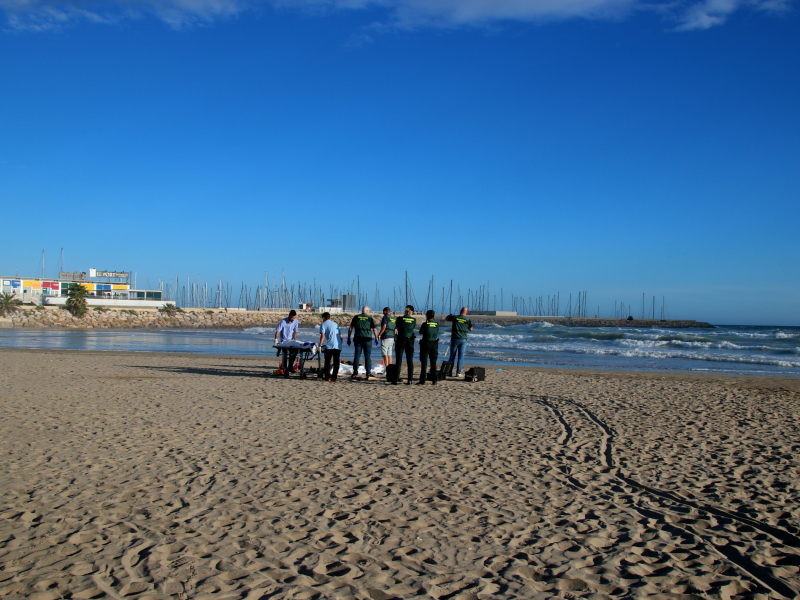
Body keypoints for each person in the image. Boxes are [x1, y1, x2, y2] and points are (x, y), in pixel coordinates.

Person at [347, 305, 379, 380]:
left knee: (357, 356)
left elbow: (351, 328)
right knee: (367, 356)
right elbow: (374, 329)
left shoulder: (356, 317)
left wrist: (349, 338)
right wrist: (376, 338)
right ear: (367, 311)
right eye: (369, 311)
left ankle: (355, 372)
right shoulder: (369, 318)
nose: (369, 312)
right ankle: (368, 372)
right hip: (367, 339)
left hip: (358, 339)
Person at [445, 306, 473, 378]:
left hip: (455, 338)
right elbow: (471, 329)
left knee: (452, 356)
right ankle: (458, 372)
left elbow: (447, 319)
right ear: (466, 313)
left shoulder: (455, 317)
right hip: (463, 339)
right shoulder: (467, 319)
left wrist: (451, 315)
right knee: (461, 357)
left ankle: (449, 372)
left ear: (460, 311)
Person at [394, 305, 416, 385]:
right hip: (410, 340)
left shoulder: (400, 319)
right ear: (411, 312)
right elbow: (412, 327)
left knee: (399, 360)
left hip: (401, 339)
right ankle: (410, 380)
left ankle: (396, 379)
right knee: (410, 360)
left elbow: (397, 328)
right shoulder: (413, 320)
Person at [319, 312, 343, 382]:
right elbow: (341, 336)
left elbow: (323, 336)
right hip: (338, 345)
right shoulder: (335, 324)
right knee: (336, 361)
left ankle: (328, 376)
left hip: (330, 345)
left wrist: (320, 345)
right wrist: (340, 344)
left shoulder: (323, 324)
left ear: (324, 318)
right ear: (329, 317)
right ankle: (334, 377)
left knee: (328, 361)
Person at [274, 309, 300, 377]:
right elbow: (277, 330)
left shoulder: (296, 321)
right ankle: (284, 367)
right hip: (284, 341)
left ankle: (290, 366)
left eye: (294, 317)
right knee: (285, 352)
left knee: (295, 351)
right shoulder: (283, 321)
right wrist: (276, 339)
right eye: (292, 317)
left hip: (290, 340)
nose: (293, 319)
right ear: (289, 316)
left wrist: (294, 340)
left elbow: (295, 331)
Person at [417, 309, 439, 385]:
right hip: (434, 344)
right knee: (433, 363)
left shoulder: (425, 324)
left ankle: (422, 380)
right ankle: (434, 380)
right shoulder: (436, 324)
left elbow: (420, 332)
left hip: (426, 343)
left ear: (427, 316)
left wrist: (426, 324)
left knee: (424, 363)